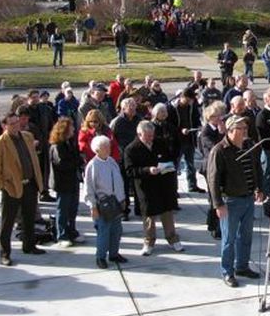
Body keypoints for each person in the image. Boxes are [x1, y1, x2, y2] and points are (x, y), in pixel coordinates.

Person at [207, 114, 264, 287]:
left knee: (246, 236)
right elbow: (213, 179)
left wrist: (259, 188)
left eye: (245, 128)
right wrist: (218, 204)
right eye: (241, 129)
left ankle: (242, 266)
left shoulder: (248, 146)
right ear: (231, 131)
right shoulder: (220, 150)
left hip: (248, 199)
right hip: (230, 201)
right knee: (229, 239)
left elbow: (257, 169)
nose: (245, 131)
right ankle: (227, 271)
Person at [0, 112, 46, 265]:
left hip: (30, 185)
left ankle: (29, 245)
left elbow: (33, 158)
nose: (16, 126)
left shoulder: (27, 136)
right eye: (12, 124)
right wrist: (2, 186)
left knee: (29, 218)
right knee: (7, 222)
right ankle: (5, 253)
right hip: (12, 187)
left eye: (17, 122)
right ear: (4, 126)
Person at [124, 120, 184, 256]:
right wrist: (147, 170)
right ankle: (149, 242)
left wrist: (166, 166)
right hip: (146, 187)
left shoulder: (159, 143)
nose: (151, 138)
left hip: (162, 184)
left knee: (167, 213)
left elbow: (169, 157)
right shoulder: (131, 149)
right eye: (148, 136)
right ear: (139, 134)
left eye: (152, 135)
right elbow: (129, 171)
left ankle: (173, 239)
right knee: (149, 217)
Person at [84, 135, 127, 269]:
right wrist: (93, 206)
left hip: (116, 202)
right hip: (103, 204)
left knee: (117, 230)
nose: (108, 149)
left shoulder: (112, 161)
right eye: (105, 147)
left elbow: (119, 181)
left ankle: (114, 254)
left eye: (108, 146)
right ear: (97, 150)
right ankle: (100, 257)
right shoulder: (92, 165)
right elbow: (89, 187)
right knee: (104, 232)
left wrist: (122, 198)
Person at [49, 118, 83, 248]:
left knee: (73, 208)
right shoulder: (57, 145)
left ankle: (72, 231)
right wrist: (78, 162)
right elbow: (62, 163)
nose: (74, 129)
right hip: (63, 182)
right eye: (71, 128)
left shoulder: (70, 142)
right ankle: (62, 235)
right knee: (63, 209)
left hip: (73, 179)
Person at [198, 101, 226, 238]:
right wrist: (221, 135)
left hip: (220, 166)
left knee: (219, 195)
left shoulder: (218, 129)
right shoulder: (206, 131)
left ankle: (213, 223)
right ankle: (215, 227)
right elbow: (214, 149)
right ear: (209, 117)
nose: (219, 119)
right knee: (214, 197)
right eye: (216, 116)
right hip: (210, 167)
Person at [167, 87, 203, 193]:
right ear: (182, 97)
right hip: (177, 141)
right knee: (176, 166)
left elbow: (196, 118)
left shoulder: (192, 107)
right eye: (187, 100)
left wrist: (199, 126)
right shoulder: (172, 108)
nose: (189, 102)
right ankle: (174, 189)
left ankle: (192, 185)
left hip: (189, 139)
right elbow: (169, 125)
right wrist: (180, 130)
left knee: (190, 164)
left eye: (191, 100)